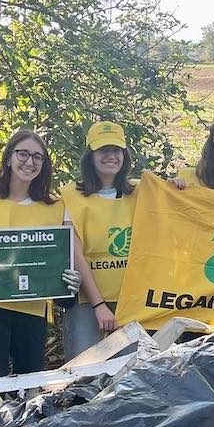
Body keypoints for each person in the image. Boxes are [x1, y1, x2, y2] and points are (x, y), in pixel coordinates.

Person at [0, 129, 82, 380]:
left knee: (29, 384)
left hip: (32, 310)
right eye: (23, 153)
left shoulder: (56, 207)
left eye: (38, 157)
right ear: (9, 157)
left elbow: (60, 258)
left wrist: (71, 282)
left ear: (44, 165)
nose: (30, 162)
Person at [59, 121, 136, 360]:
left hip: (131, 300)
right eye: (103, 150)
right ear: (90, 156)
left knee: (130, 372)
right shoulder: (71, 196)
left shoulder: (141, 192)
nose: (111, 156)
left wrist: (180, 184)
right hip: (87, 303)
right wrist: (98, 305)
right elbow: (75, 253)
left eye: (116, 150)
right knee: (84, 370)